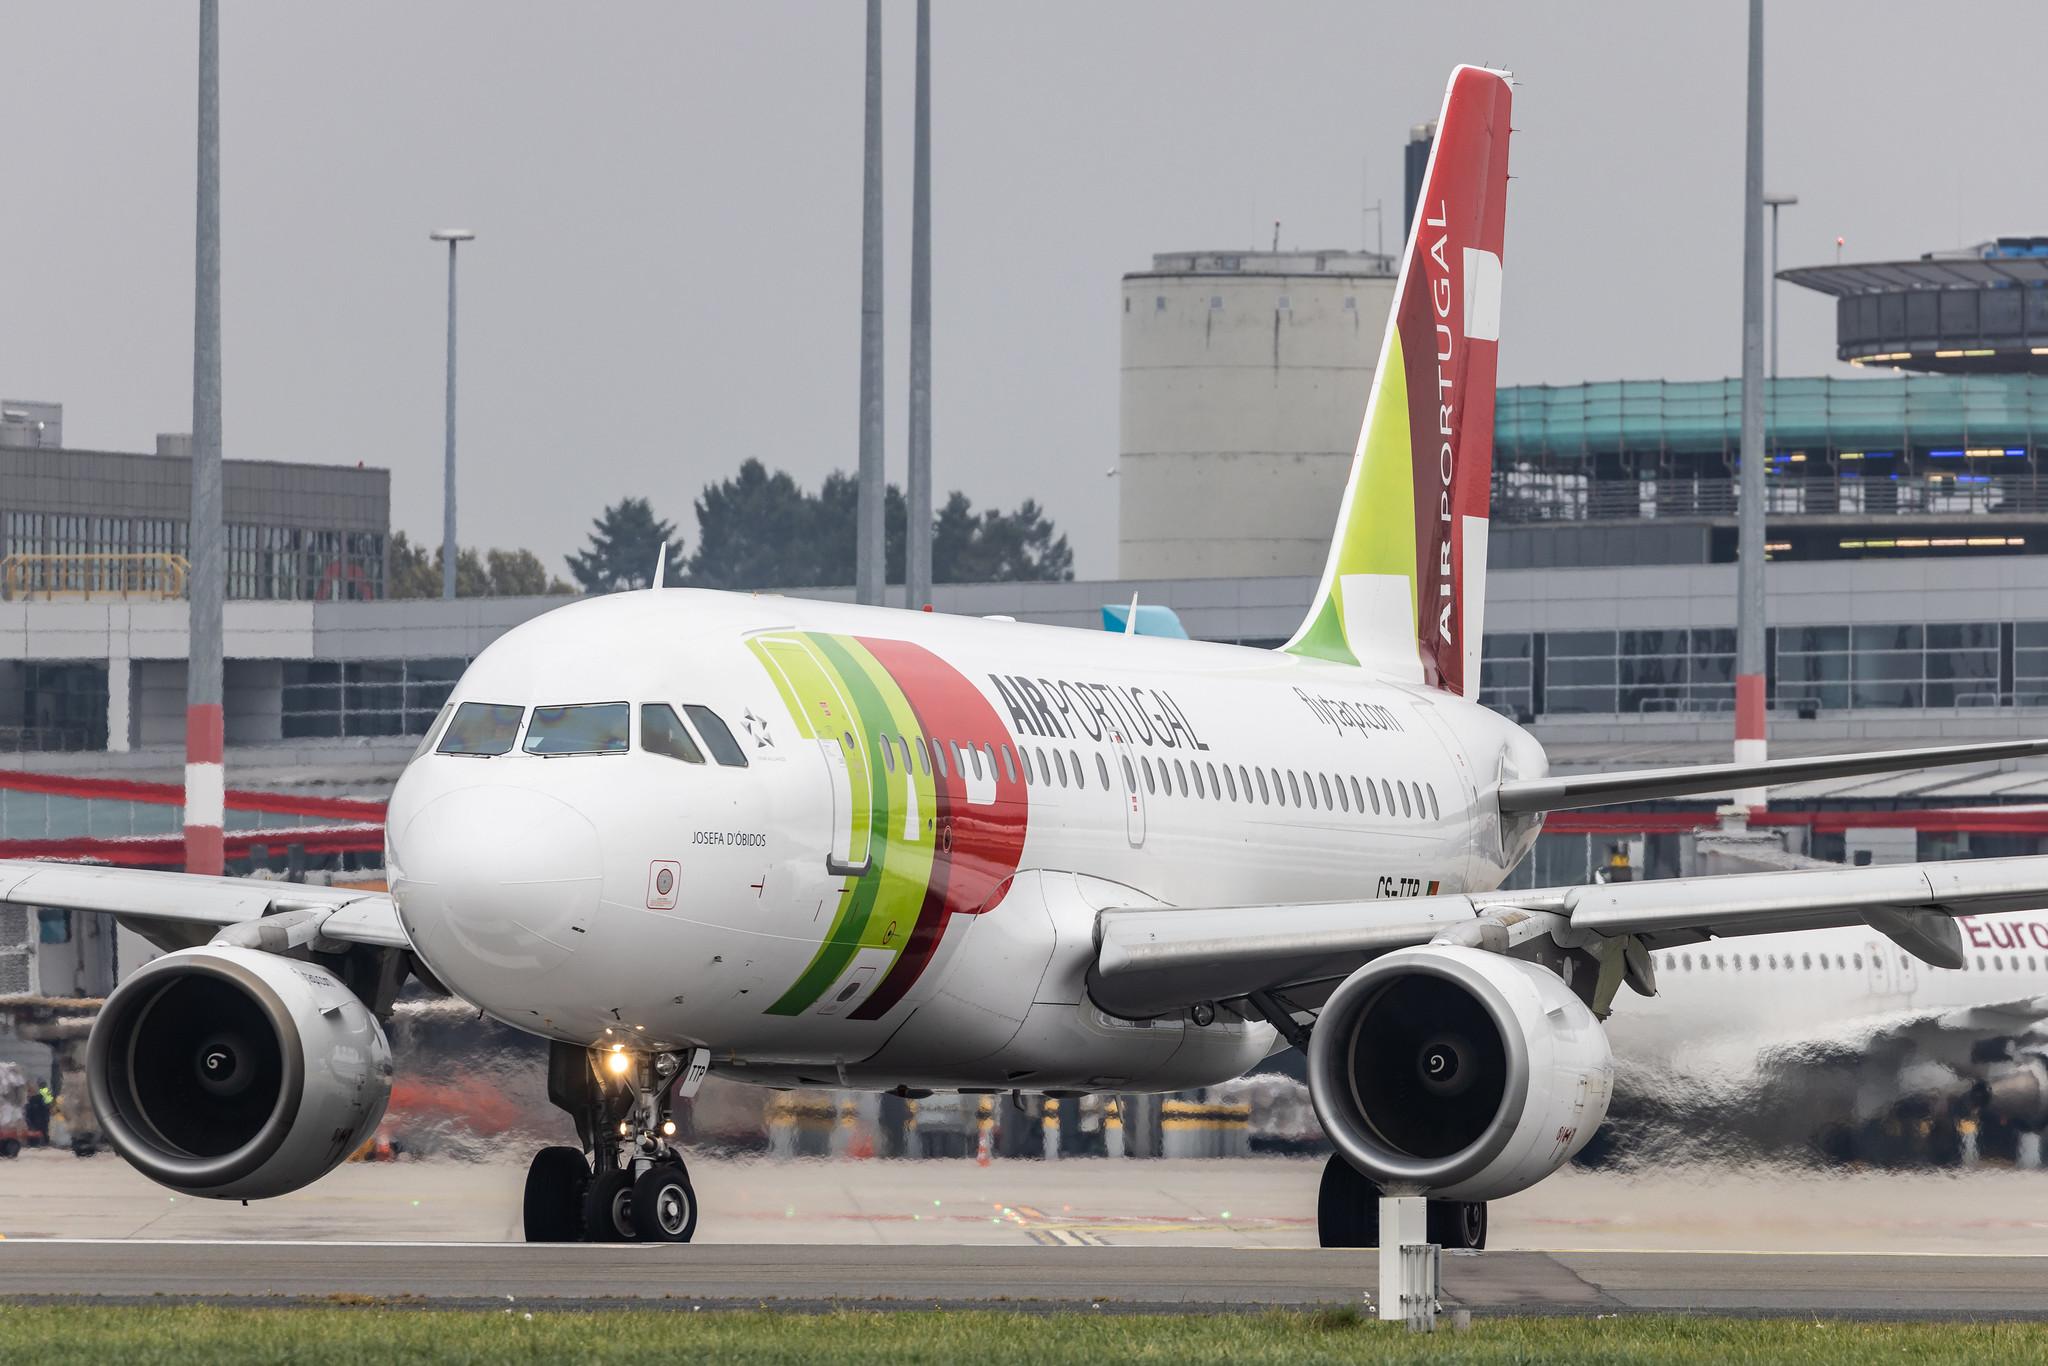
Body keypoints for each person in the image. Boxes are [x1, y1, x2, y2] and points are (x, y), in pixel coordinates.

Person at [25, 1080, 51, 1148]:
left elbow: (48, 1104)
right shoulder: (42, 1094)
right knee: (39, 1128)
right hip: (40, 1114)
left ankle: (40, 1142)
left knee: (39, 1128)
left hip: (40, 1114)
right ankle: (39, 1142)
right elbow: (48, 1104)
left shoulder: (43, 1093)